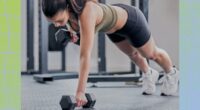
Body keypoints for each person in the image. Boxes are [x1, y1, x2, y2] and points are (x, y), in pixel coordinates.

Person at [42, 0, 179, 107]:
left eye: (59, 20)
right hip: (113, 29)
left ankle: (172, 73)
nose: (57, 25)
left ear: (66, 7)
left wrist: (80, 91)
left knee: (151, 54)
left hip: (131, 21)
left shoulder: (87, 11)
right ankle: (149, 73)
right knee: (133, 55)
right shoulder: (69, 15)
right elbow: (83, 39)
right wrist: (74, 38)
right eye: (53, 22)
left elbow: (85, 55)